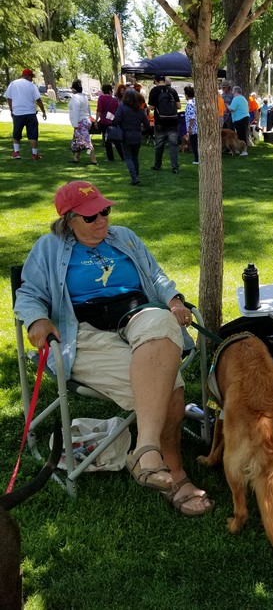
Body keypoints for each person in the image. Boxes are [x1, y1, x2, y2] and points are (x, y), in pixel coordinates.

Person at [14, 180, 214, 516]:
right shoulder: (48, 248)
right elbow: (29, 294)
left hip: (136, 315)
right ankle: (175, 472)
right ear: (68, 221)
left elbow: (156, 276)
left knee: (162, 320)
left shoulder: (124, 237)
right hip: (85, 331)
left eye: (104, 211)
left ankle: (145, 450)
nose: (102, 220)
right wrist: (37, 320)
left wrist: (174, 300)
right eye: (91, 217)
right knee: (171, 389)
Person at [5, 68, 46, 160]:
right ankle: (34, 154)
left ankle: (16, 152)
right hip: (31, 113)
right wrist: (43, 111)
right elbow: (38, 100)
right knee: (33, 134)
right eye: (31, 77)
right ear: (27, 76)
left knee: (16, 133)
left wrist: (11, 110)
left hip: (18, 113)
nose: (32, 79)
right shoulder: (32, 86)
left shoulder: (13, 84)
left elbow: (9, 98)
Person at [113, 89, 150, 186]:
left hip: (126, 135)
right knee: (135, 157)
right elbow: (147, 124)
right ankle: (136, 176)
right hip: (137, 136)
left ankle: (134, 177)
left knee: (128, 157)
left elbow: (116, 121)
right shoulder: (139, 110)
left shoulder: (122, 108)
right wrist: (143, 131)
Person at [148, 75, 181, 174]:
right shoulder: (172, 91)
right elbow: (179, 106)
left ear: (156, 81)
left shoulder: (154, 91)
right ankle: (175, 167)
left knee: (159, 145)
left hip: (160, 122)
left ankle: (157, 165)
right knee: (173, 145)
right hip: (173, 122)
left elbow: (152, 107)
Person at [68, 79, 97, 166]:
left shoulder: (75, 98)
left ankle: (93, 160)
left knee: (87, 142)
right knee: (78, 141)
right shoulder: (84, 97)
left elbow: (75, 111)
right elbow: (88, 110)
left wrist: (75, 124)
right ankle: (76, 158)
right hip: (86, 121)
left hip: (80, 122)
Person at [95, 83, 124, 163]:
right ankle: (123, 156)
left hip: (104, 122)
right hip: (113, 121)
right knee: (116, 140)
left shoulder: (101, 98)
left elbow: (99, 110)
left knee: (107, 140)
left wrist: (96, 120)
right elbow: (117, 111)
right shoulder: (114, 100)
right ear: (110, 91)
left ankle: (110, 157)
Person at [228, 86, 250, 155]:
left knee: (241, 135)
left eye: (233, 91)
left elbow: (232, 109)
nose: (232, 93)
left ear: (236, 92)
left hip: (239, 119)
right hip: (245, 118)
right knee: (241, 134)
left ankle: (244, 151)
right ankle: (238, 149)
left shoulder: (236, 98)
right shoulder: (243, 98)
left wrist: (227, 106)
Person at [184, 85, 199, 164]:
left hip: (193, 127)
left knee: (194, 144)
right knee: (197, 143)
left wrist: (190, 127)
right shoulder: (196, 102)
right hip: (198, 126)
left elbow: (192, 116)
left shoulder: (190, 104)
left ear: (186, 95)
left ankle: (197, 159)